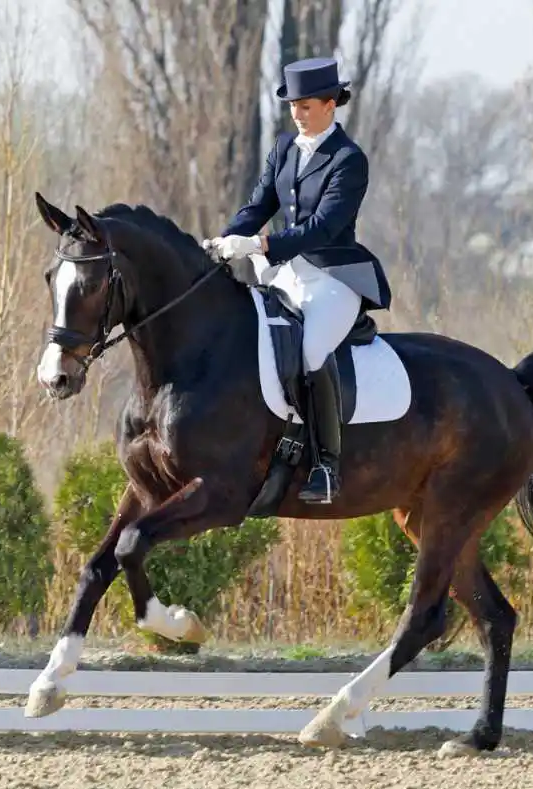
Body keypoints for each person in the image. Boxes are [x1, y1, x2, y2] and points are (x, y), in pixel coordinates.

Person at [205, 56, 391, 505]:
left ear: (331, 105)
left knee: (311, 350)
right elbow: (258, 206)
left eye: (305, 106)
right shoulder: (285, 148)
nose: (297, 114)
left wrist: (260, 247)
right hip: (289, 274)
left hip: (334, 276)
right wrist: (226, 239)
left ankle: (326, 466)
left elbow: (322, 228)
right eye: (292, 106)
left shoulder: (348, 160)